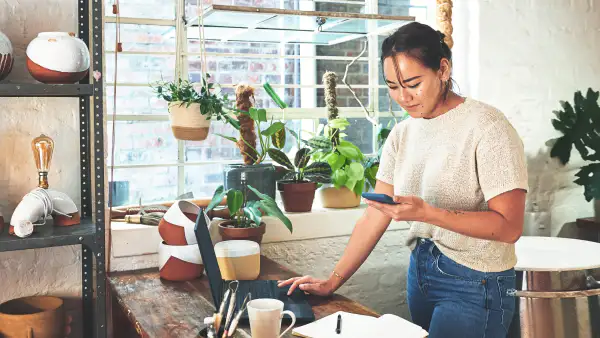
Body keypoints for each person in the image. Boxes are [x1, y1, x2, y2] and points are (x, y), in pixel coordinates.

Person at [278, 22, 528, 338]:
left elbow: (509, 226)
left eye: (412, 83)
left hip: (476, 283)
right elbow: (375, 214)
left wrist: (427, 213)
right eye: (393, 87)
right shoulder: (403, 133)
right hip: (421, 273)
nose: (403, 97)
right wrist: (333, 280)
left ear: (443, 69)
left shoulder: (488, 127)